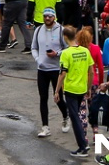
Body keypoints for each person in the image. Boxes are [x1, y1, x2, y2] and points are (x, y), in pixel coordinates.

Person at [55, 25, 93, 158]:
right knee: (79, 115)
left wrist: (56, 91)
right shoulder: (85, 51)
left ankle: (83, 146)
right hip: (82, 88)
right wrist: (88, 88)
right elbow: (91, 71)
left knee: (75, 117)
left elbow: (62, 74)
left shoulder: (66, 53)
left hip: (71, 89)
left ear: (65, 37)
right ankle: (84, 143)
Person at [31, 7, 69, 137]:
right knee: (43, 98)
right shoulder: (38, 30)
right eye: (45, 16)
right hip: (42, 69)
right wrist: (37, 59)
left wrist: (57, 53)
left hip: (56, 70)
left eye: (50, 16)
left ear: (54, 17)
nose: (47, 18)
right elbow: (34, 48)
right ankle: (45, 127)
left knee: (58, 97)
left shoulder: (61, 31)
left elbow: (68, 48)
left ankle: (65, 116)